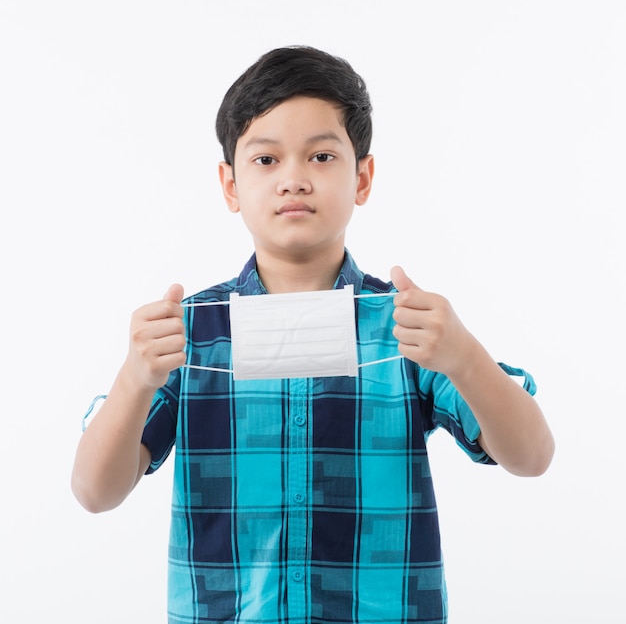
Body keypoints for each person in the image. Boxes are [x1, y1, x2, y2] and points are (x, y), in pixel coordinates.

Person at [71, 45, 554, 624]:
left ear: (363, 177)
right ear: (229, 185)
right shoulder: (190, 333)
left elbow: (532, 456)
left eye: (322, 156)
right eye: (266, 160)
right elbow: (95, 492)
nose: (294, 179)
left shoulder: (411, 328)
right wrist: (134, 378)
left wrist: (466, 359)